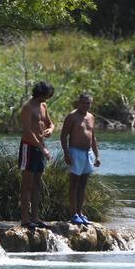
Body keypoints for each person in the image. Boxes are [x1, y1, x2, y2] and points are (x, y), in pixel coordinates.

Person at [59, 92, 101, 227]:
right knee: (74, 184)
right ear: (79, 103)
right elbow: (63, 136)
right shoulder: (72, 117)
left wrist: (97, 155)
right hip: (75, 152)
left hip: (87, 153)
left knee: (83, 185)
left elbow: (93, 137)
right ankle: (73, 214)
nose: (86, 105)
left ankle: (80, 212)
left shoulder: (91, 117)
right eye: (83, 103)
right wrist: (66, 153)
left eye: (88, 103)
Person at [18, 81, 55, 229]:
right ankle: (25, 219)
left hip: (40, 148)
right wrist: (42, 148)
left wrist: (50, 130)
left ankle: (35, 217)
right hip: (29, 147)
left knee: (37, 184)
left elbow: (50, 124)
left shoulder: (43, 106)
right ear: (39, 93)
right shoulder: (27, 108)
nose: (47, 98)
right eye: (46, 95)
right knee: (26, 184)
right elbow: (27, 131)